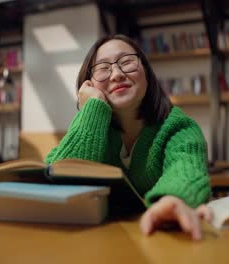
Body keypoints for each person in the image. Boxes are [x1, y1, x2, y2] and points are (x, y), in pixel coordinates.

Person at [45, 34, 213, 241]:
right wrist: (94, 107)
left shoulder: (178, 127)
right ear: (88, 84)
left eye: (127, 62)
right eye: (103, 68)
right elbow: (56, 176)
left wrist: (172, 200)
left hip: (157, 238)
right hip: (93, 240)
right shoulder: (89, 124)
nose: (116, 74)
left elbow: (186, 169)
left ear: (147, 73)